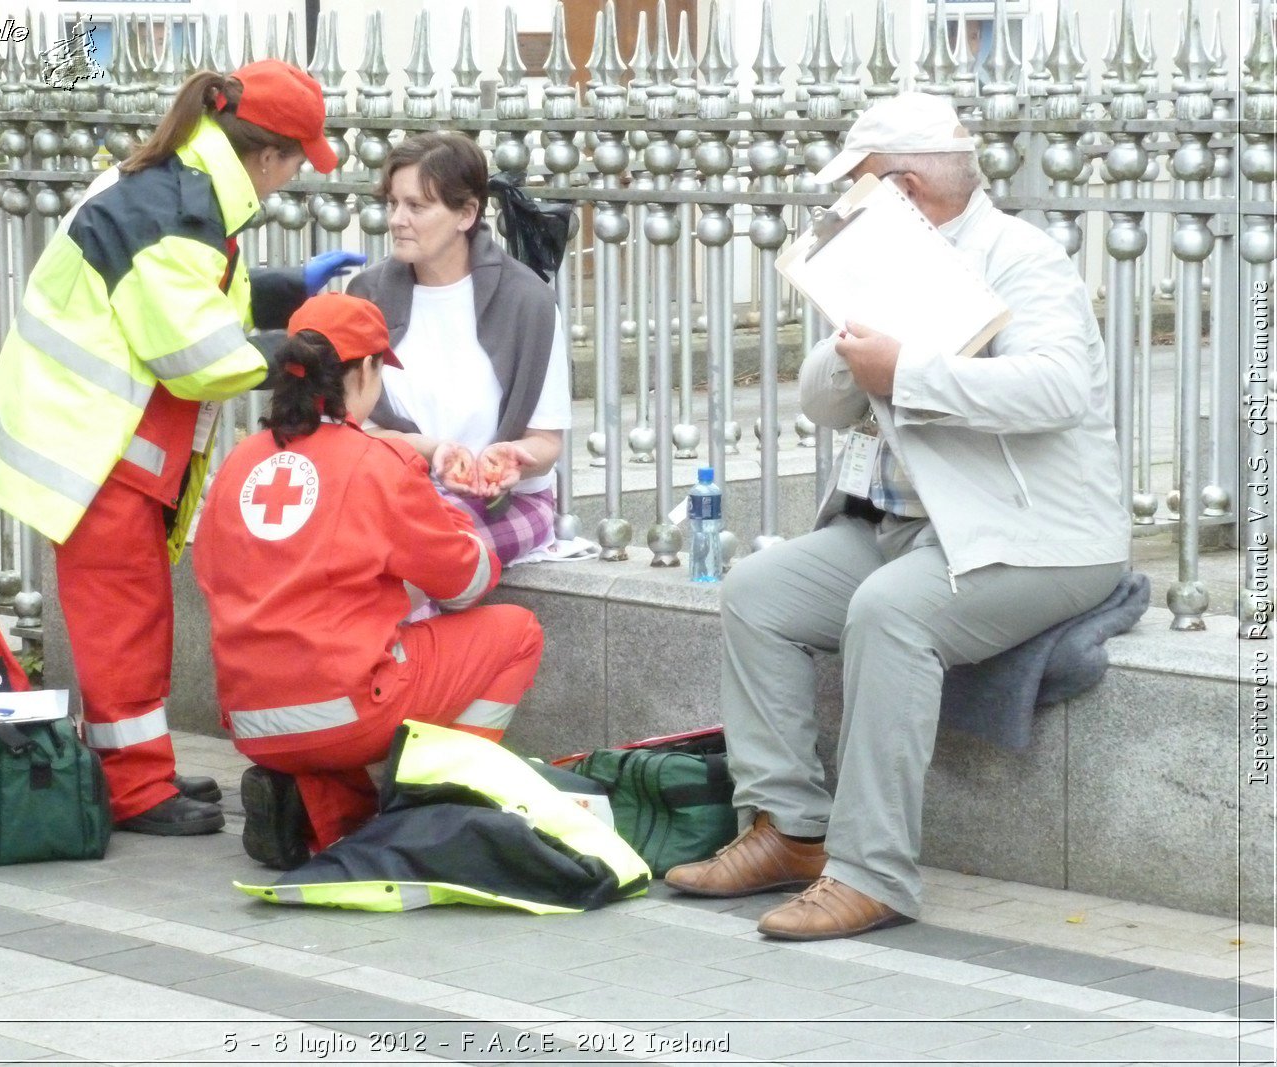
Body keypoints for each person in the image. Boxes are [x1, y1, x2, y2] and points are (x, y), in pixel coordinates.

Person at [663, 92, 1130, 939]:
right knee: (757, 591)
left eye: (861, 184)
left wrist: (906, 369)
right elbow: (823, 399)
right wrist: (858, 358)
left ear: (906, 187)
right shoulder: (878, 260)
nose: (843, 204)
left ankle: (870, 872)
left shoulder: (1020, 257)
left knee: (890, 613)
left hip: (1035, 537)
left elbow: (1060, 388)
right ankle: (791, 829)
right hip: (907, 527)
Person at [0, 61, 364, 836]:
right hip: (95, 443)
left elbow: (201, 293)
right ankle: (133, 789)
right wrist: (298, 351)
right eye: (293, 163)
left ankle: (138, 764)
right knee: (122, 620)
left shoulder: (178, 185)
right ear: (267, 155)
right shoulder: (180, 210)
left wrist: (285, 290)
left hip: (105, 437)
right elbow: (198, 351)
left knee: (134, 614)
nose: (288, 180)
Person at [196, 292, 544, 868]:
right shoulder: (375, 464)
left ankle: (313, 810)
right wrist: (451, 509)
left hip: (251, 717)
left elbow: (221, 573)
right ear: (363, 371)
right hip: (347, 710)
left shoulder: (240, 462)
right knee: (517, 632)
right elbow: (467, 582)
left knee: (337, 709)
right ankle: (437, 805)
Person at [347, 132, 571, 566]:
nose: (396, 219)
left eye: (416, 206)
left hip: (507, 504)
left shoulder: (527, 301)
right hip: (394, 496)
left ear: (466, 214)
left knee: (419, 553)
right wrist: (431, 452)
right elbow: (350, 433)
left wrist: (509, 459)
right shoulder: (367, 294)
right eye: (393, 203)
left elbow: (545, 443)